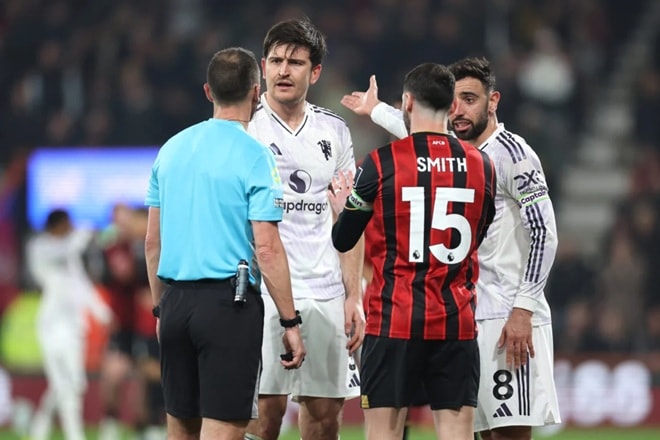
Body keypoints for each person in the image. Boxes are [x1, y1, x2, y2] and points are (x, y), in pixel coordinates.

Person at [341, 56, 561, 440]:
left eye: (471, 100)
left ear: (493, 101)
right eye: (455, 101)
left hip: (507, 313)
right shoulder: (460, 153)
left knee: (507, 434)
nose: (459, 110)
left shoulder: (513, 154)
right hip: (464, 312)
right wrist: (376, 109)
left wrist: (524, 309)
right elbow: (417, 131)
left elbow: (545, 233)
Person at [144, 46, 305, 440]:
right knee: (224, 429)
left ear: (208, 91)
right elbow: (266, 248)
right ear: (256, 92)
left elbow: (152, 243)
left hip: (175, 305)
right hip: (227, 306)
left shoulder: (170, 150)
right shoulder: (256, 156)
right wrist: (290, 321)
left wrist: (160, 308)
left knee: (180, 429)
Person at [332, 62, 496, 440]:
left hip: (394, 320)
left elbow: (343, 239)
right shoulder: (481, 165)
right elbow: (480, 233)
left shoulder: (381, 162)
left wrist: (343, 208)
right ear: (452, 107)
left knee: (384, 434)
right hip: (455, 321)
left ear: (407, 102)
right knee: (456, 434)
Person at [245, 18, 366, 440]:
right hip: (263, 291)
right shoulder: (246, 128)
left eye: (295, 62)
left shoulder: (334, 130)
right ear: (262, 66)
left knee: (325, 417)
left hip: (325, 291)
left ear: (314, 73)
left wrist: (354, 295)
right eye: (275, 60)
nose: (283, 70)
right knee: (264, 415)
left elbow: (349, 219)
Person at [26, 209, 113, 440]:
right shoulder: (39, 246)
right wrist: (80, 239)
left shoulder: (72, 259)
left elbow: (83, 286)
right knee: (63, 383)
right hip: (50, 326)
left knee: (73, 383)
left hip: (74, 327)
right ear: (57, 225)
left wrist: (103, 313)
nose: (71, 227)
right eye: (67, 224)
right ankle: (74, 435)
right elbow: (52, 260)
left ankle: (41, 422)